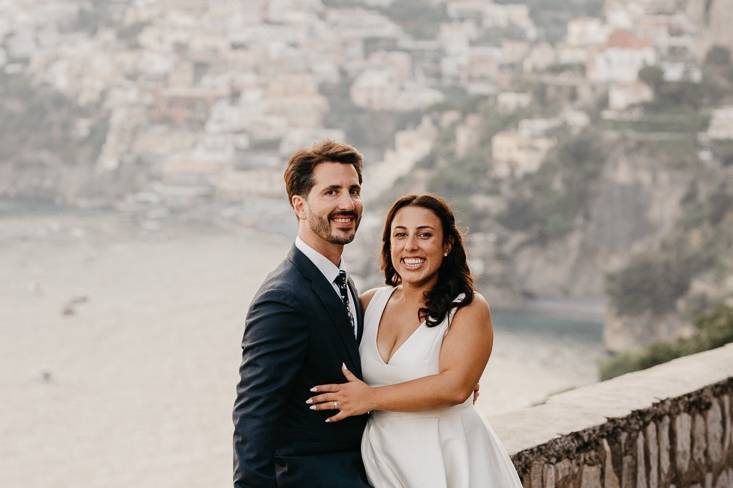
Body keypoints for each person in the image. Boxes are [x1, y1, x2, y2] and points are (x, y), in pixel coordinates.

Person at [307, 194, 524, 487]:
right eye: (400, 235)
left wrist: (369, 398)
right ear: (389, 244)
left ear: (447, 244)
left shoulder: (469, 308)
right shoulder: (369, 303)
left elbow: (456, 388)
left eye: (424, 235)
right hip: (385, 462)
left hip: (450, 456)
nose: (410, 246)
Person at [232, 140, 371, 487]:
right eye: (331, 192)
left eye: (353, 190)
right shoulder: (282, 299)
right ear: (300, 205)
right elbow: (253, 417)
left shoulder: (341, 282)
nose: (347, 203)